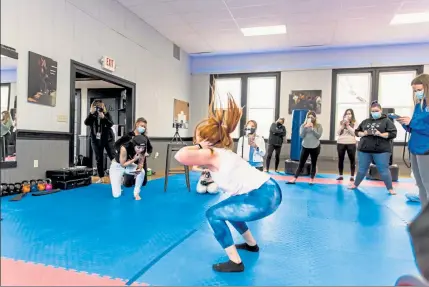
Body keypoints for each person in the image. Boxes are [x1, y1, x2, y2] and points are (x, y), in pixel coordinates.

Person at [174, 95, 282, 273]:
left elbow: (181, 156)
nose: (195, 141)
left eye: (197, 138)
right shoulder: (220, 152)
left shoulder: (210, 153)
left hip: (263, 196)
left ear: (205, 139)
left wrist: (200, 146)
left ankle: (235, 262)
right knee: (230, 210)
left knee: (213, 214)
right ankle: (251, 245)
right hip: (269, 191)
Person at [350, 101, 397, 195]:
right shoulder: (366, 121)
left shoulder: (387, 121)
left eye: (376, 110)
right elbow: (357, 132)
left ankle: (390, 188)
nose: (374, 112)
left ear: (381, 110)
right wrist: (363, 133)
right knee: (362, 169)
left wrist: (380, 134)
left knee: (383, 170)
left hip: (381, 150)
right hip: (364, 149)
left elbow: (393, 133)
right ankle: (355, 184)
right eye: (373, 111)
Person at [398, 73, 429, 207]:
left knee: (427, 184)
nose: (417, 93)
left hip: (425, 149)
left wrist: (413, 123)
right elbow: (415, 127)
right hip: (414, 148)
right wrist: (405, 123)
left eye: (419, 90)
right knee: (420, 184)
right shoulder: (419, 106)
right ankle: (424, 217)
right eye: (414, 91)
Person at [114, 117, 153, 188]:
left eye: (144, 127)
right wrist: (123, 155)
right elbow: (117, 144)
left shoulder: (145, 138)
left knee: (143, 183)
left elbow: (150, 149)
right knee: (128, 184)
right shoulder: (128, 136)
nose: (143, 128)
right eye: (142, 126)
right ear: (137, 124)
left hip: (141, 161)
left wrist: (147, 154)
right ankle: (125, 177)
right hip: (130, 161)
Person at [287, 111, 323, 185]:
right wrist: (305, 128)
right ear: (306, 118)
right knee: (301, 163)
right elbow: (301, 135)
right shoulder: (303, 126)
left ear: (315, 118)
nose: (310, 118)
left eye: (311, 117)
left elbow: (318, 136)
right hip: (305, 146)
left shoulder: (318, 126)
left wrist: (312, 129)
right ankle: (294, 178)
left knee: (313, 163)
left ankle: (312, 179)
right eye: (308, 117)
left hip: (315, 146)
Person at [84, 99, 116, 183]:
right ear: (93, 107)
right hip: (95, 139)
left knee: (113, 156)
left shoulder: (106, 114)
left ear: (103, 107)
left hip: (107, 138)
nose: (98, 108)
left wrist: (103, 117)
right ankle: (101, 177)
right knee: (99, 158)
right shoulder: (92, 115)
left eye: (100, 106)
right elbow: (86, 123)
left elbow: (111, 124)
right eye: (96, 106)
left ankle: (117, 175)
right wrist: (91, 113)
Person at [109, 135, 147, 200]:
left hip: (129, 165)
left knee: (142, 172)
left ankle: (136, 193)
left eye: (143, 148)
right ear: (133, 145)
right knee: (116, 195)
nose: (141, 150)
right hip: (117, 165)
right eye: (138, 147)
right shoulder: (124, 148)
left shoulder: (143, 150)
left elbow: (141, 163)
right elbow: (122, 164)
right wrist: (134, 159)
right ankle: (120, 180)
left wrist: (138, 169)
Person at [336, 109, 357, 182]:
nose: (348, 115)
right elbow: (338, 133)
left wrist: (348, 125)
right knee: (340, 159)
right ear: (344, 115)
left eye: (350, 113)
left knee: (352, 160)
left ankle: (352, 176)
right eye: (347, 114)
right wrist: (342, 125)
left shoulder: (355, 123)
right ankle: (340, 175)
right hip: (341, 142)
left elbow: (354, 133)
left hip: (351, 142)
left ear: (352, 115)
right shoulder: (341, 122)